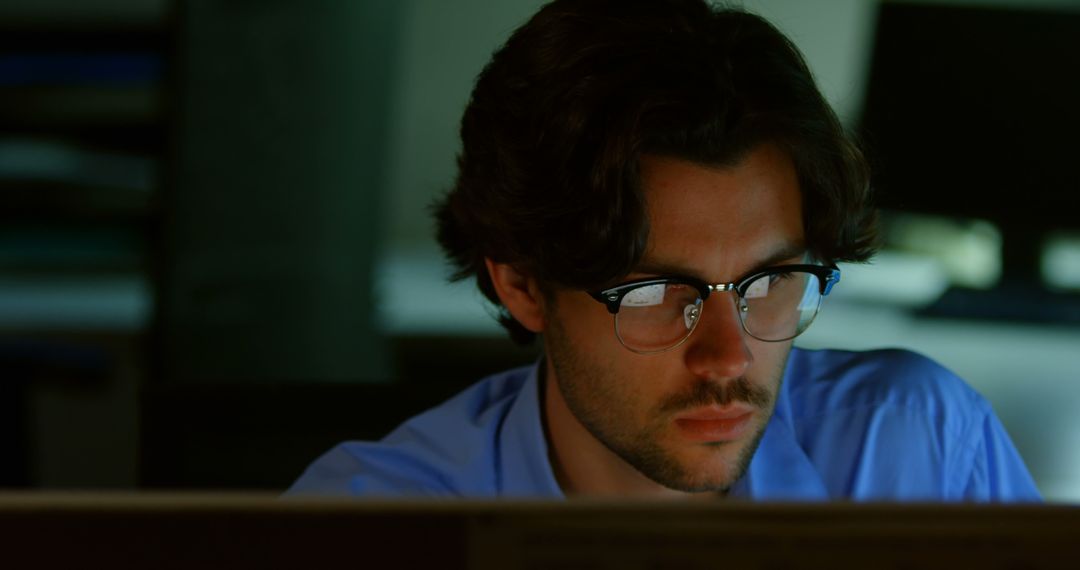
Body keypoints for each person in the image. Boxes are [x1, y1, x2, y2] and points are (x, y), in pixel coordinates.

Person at [288, 0, 1039, 500]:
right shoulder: (368, 525)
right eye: (654, 293)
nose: (729, 357)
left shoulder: (918, 450)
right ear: (520, 283)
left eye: (770, 281)